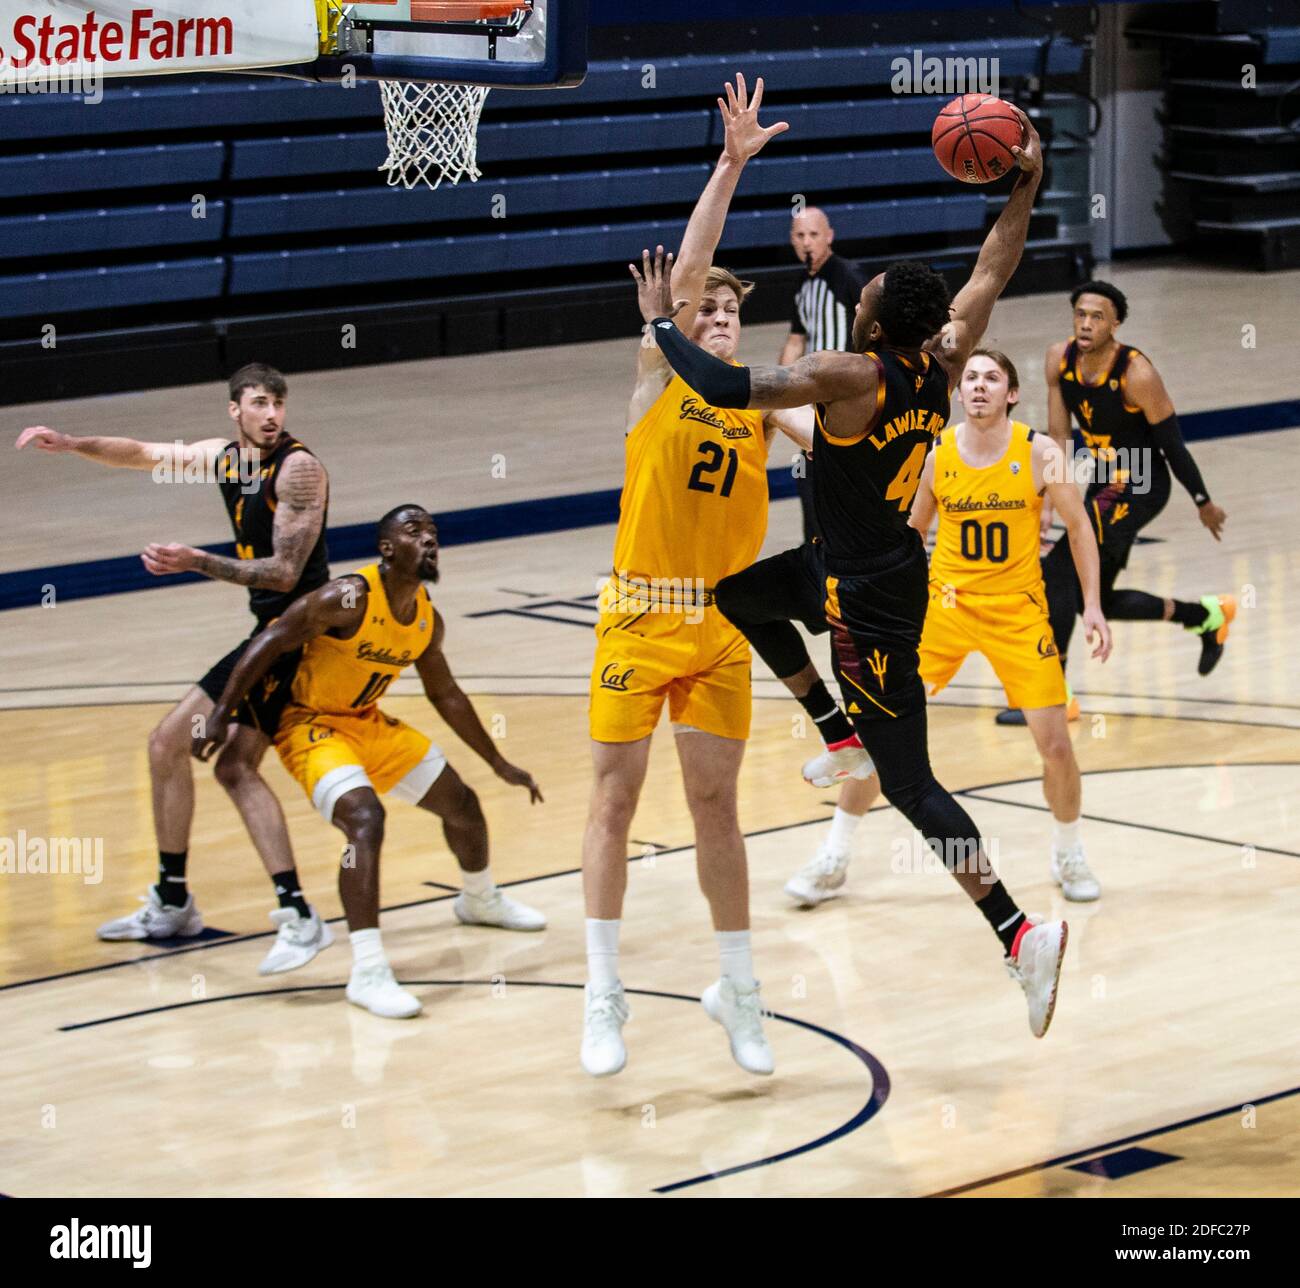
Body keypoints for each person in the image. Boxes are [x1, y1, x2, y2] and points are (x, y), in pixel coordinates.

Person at [648, 106, 1075, 1038]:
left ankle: (1019, 932)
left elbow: (724, 387)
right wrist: (1026, 183)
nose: (866, 280)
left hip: (873, 600)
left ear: (876, 314)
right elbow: (993, 267)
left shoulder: (852, 373)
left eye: (873, 283)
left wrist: (656, 323)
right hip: (843, 563)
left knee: (912, 785)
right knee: (742, 596)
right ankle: (837, 734)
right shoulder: (944, 353)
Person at [581, 74, 814, 1079]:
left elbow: (838, 447)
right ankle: (604, 992)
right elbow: (683, 271)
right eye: (703, 307)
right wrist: (728, 164)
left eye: (727, 310)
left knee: (717, 806)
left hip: (722, 624)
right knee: (614, 802)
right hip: (637, 616)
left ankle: (738, 987)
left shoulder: (763, 400)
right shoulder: (656, 378)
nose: (716, 315)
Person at [16, 365, 334, 975]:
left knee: (203, 756)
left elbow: (285, 574)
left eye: (279, 403)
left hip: (296, 635)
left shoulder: (298, 468)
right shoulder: (225, 458)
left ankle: (297, 916)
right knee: (197, 756)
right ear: (234, 411)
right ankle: (176, 901)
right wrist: (74, 444)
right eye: (260, 403)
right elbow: (142, 453)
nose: (272, 414)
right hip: (268, 633)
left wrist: (196, 561)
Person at [194, 504, 546, 1019]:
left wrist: (497, 761)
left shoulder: (426, 617)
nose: (428, 539)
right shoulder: (347, 597)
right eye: (414, 531)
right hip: (310, 725)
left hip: (367, 723)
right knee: (365, 818)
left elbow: (444, 692)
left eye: (433, 532)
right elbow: (270, 639)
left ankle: (479, 899)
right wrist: (222, 712)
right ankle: (369, 970)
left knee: (464, 806)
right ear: (386, 548)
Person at [813, 349, 1112, 903]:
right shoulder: (936, 454)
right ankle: (833, 854)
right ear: (960, 392)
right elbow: (909, 538)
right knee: (882, 733)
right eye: (970, 377)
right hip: (943, 610)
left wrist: (1092, 605)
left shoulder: (1041, 452)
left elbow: (1080, 529)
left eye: (992, 378)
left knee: (1057, 745)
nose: (978, 386)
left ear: (1012, 393)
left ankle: (1069, 851)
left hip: (1017, 612)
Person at [996, 280, 1233, 725]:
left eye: (1097, 316)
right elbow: (1060, 435)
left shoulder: (1136, 373)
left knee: (1059, 571)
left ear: (1115, 324)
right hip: (1103, 482)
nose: (1086, 323)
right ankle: (1205, 616)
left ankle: (1052, 696)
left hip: (1142, 482)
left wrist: (1203, 501)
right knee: (1094, 599)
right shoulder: (1058, 359)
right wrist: (1049, 495)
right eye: (1080, 314)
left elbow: (1173, 445)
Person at [772, 205, 878, 904]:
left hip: (843, 416)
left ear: (831, 237)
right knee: (817, 531)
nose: (808, 242)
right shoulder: (803, 288)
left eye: (815, 233)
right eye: (799, 235)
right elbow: (794, 340)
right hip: (816, 418)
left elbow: (859, 338)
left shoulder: (848, 280)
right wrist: (782, 382)